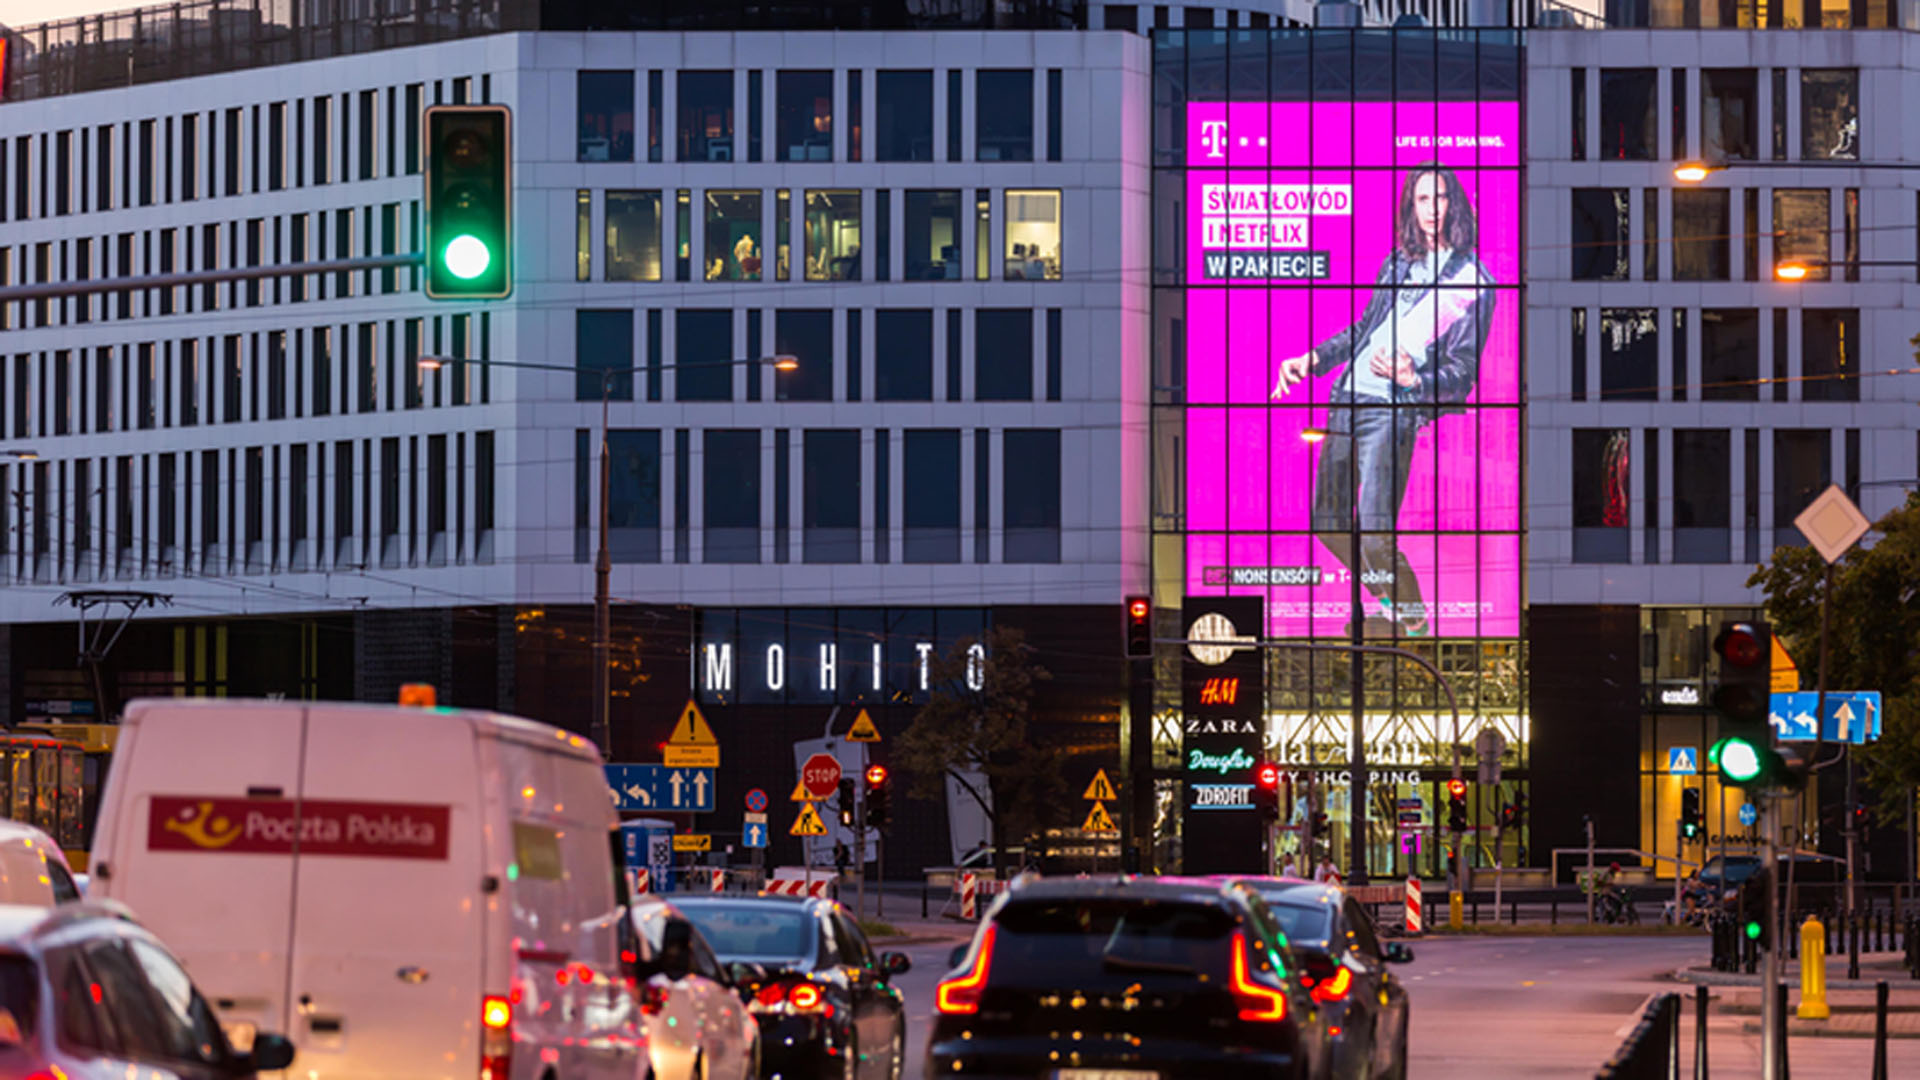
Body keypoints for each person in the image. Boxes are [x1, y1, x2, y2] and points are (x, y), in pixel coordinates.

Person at [1271, 162, 1497, 638]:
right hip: (1346, 398)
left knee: (1375, 533)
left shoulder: (1473, 281)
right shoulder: (1397, 263)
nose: (1431, 210)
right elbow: (1363, 331)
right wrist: (1312, 359)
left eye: (1439, 198)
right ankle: (1391, 599)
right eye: (1421, 199)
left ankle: (1413, 616)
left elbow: (1463, 373)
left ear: (1455, 204)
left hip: (1391, 411)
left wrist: (1414, 377)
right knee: (1327, 521)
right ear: (1410, 208)